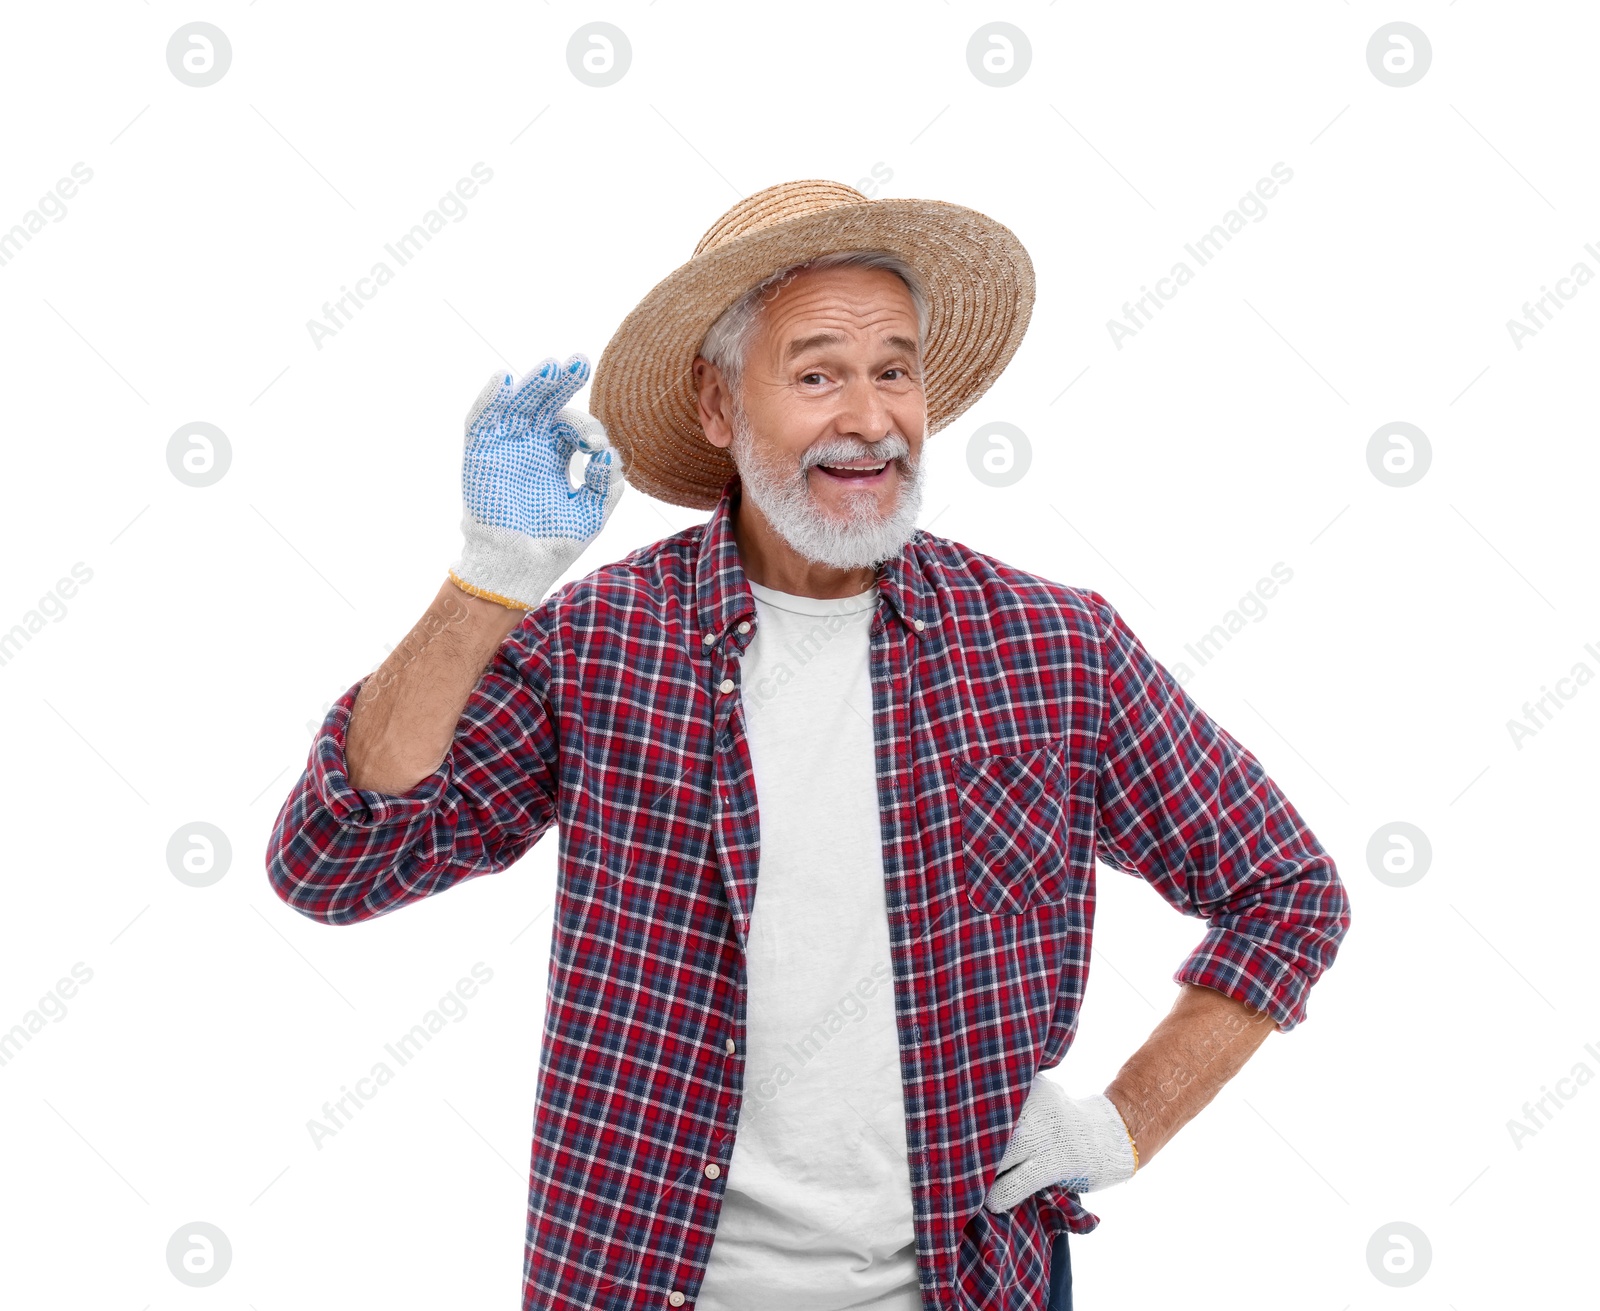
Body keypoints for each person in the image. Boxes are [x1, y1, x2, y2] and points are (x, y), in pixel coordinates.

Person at [266, 179, 1350, 1311]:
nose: (870, 418)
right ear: (718, 404)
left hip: (966, 1286)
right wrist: (489, 583)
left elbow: (1286, 889)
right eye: (818, 371)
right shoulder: (598, 645)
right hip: (640, 1284)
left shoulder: (1051, 646)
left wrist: (1125, 1123)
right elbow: (333, 864)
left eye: (895, 369)